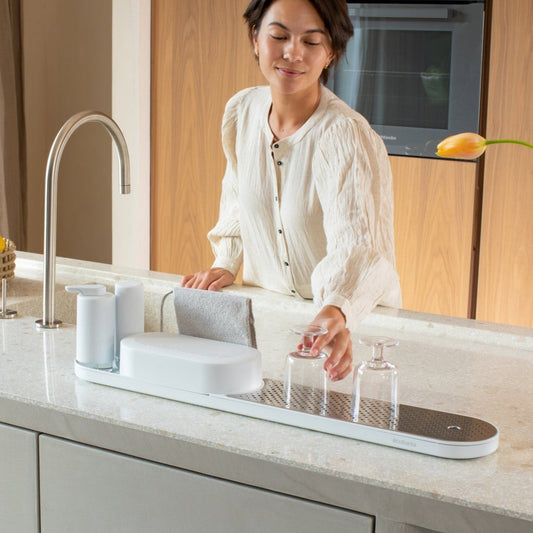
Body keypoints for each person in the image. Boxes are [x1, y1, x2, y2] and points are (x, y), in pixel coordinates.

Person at [181, 0, 401, 381]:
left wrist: (336, 308)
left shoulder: (344, 135)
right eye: (279, 36)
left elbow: (360, 247)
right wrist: (226, 261)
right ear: (256, 39)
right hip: (276, 327)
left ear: (330, 52)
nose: (292, 53)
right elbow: (237, 197)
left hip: (348, 333)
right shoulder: (242, 111)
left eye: (311, 42)